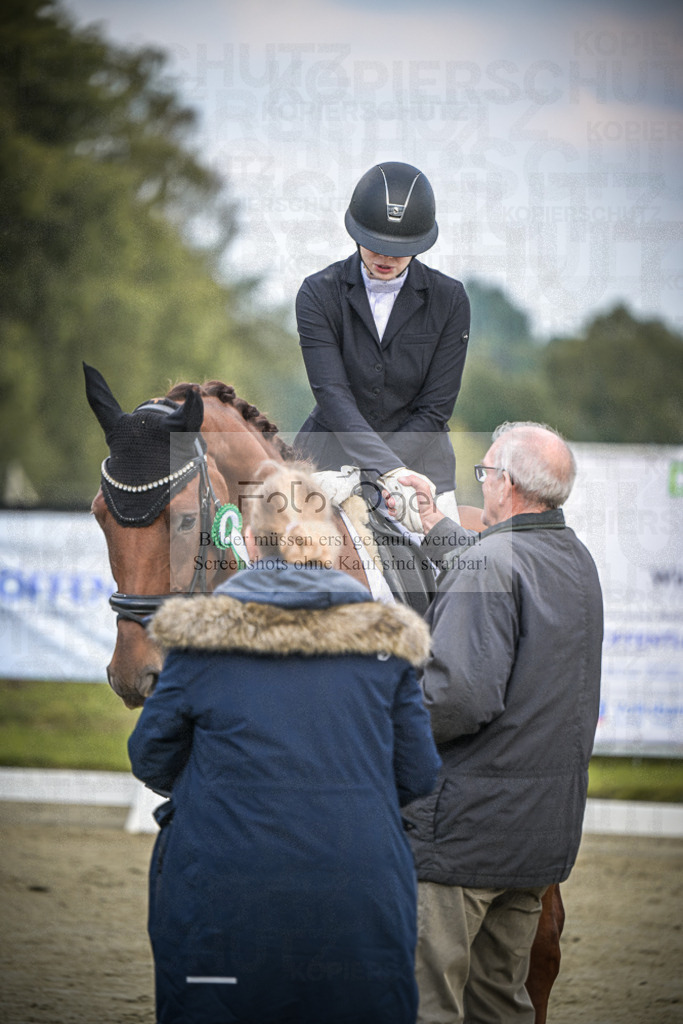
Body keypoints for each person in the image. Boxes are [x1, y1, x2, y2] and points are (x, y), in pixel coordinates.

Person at [127, 463, 441, 1024]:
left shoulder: (199, 642)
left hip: (223, 905)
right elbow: (418, 774)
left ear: (248, 539)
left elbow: (149, 756)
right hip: (358, 902)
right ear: (327, 538)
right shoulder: (388, 644)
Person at [397, 422, 604, 1024]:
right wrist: (431, 522)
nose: (481, 481)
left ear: (506, 484)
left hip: (465, 839)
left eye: (485, 472)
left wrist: (379, 725)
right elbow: (493, 571)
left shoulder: (489, 563)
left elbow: (457, 697)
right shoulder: (575, 560)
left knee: (426, 1006)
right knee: (501, 1007)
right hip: (537, 843)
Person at [294, 161, 470, 529]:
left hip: (419, 468)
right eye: (375, 246)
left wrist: (391, 474)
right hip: (329, 460)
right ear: (356, 233)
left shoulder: (450, 300)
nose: (386, 258)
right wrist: (378, 468)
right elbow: (333, 394)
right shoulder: (317, 292)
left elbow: (435, 409)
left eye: (400, 249)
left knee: (456, 572)